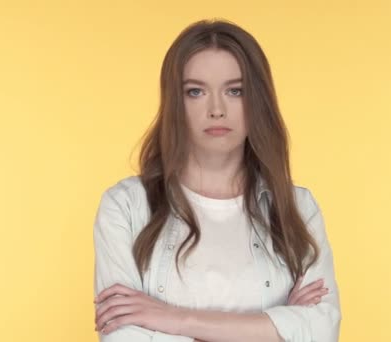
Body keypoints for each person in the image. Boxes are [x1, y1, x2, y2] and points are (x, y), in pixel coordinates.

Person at [92, 18, 341, 342]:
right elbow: (123, 338)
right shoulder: (125, 207)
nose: (217, 109)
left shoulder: (297, 208)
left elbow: (321, 332)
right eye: (195, 91)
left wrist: (172, 318)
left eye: (235, 91)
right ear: (174, 103)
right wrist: (273, 328)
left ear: (258, 100)